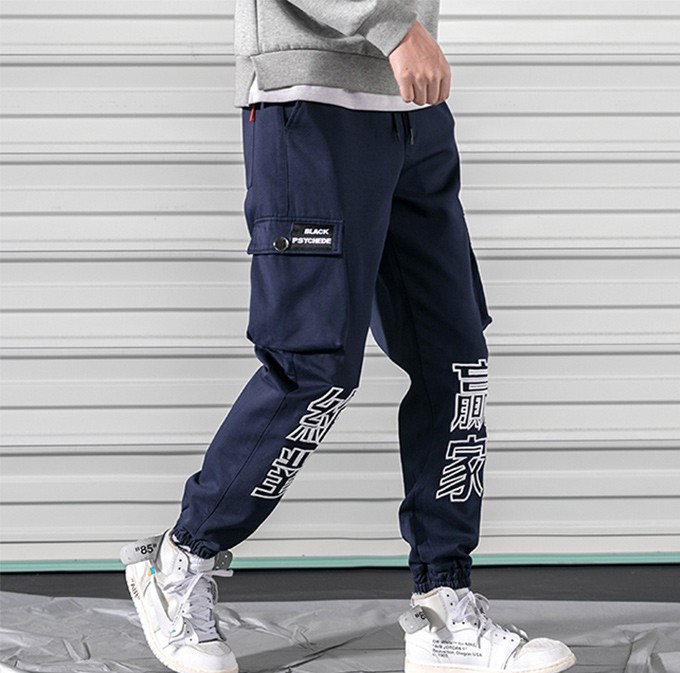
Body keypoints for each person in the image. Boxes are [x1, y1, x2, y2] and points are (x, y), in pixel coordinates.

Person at [120, 3, 576, 673]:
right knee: (314, 368)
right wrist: (393, 27)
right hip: (311, 103)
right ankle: (180, 558)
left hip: (412, 112)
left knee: (455, 363)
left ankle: (443, 607)